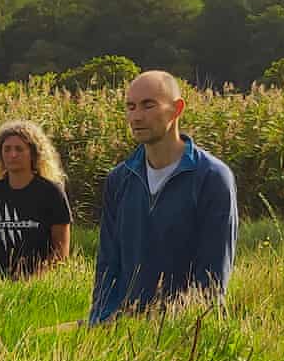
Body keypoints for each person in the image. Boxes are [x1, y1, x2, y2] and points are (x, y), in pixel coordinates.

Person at [89, 71, 238, 325]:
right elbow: (108, 265)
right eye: (131, 107)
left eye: (148, 105)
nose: (136, 116)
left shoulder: (211, 177)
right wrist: (101, 322)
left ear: (176, 109)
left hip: (186, 330)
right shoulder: (120, 179)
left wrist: (180, 327)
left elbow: (213, 274)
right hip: (124, 328)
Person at [0, 120, 72, 279]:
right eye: (7, 149)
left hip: (41, 285)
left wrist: (33, 283)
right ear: (0, 154)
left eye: (19, 149)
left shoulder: (52, 192)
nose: (12, 155)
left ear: (33, 153)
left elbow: (61, 252)